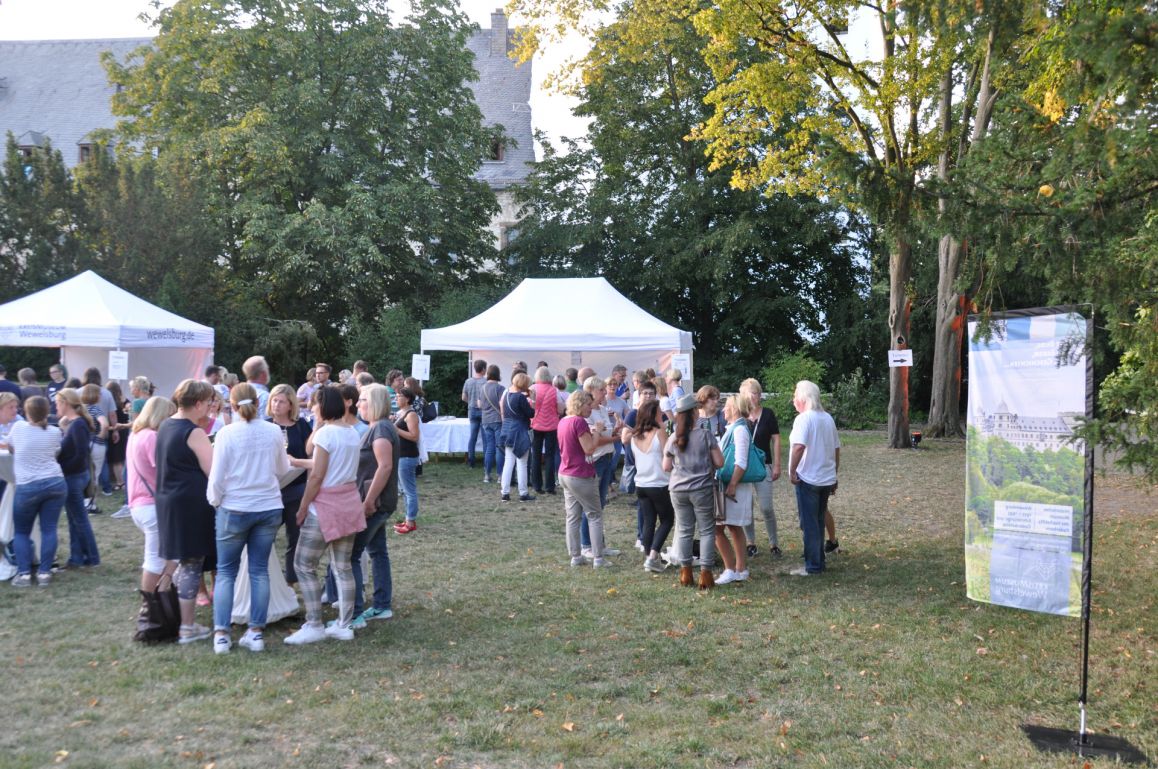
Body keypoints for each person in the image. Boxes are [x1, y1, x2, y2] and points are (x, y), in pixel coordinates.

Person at [206, 383, 291, 654]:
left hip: (235, 507)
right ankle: (256, 631)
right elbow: (282, 468)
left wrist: (216, 501)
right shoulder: (273, 431)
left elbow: (216, 477)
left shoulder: (226, 434)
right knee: (258, 570)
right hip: (267, 507)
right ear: (259, 401)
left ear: (231, 405)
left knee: (226, 572)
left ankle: (221, 634)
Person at [284, 386, 364, 644]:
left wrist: (304, 506)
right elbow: (325, 465)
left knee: (303, 564)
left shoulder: (326, 433)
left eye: (314, 404)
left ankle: (314, 622)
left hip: (325, 506)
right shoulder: (351, 432)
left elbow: (318, 475)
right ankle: (344, 623)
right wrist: (299, 462)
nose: (310, 407)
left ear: (324, 406)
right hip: (349, 502)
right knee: (343, 566)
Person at [155, 379, 216, 644]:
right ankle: (187, 627)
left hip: (168, 500)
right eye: (209, 402)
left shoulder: (165, 424)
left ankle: (172, 615)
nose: (211, 408)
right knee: (192, 563)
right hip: (191, 503)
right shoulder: (194, 432)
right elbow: (212, 471)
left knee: (181, 561)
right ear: (199, 403)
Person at [350, 383, 398, 627]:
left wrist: (368, 501)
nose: (358, 405)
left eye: (362, 400)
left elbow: (385, 466)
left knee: (352, 555)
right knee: (378, 552)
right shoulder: (379, 427)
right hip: (379, 501)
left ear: (376, 402)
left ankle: (355, 613)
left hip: (375, 502)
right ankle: (381, 605)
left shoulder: (380, 429)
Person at [664, 393, 723, 589]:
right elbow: (719, 462)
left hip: (677, 490)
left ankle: (685, 572)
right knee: (706, 530)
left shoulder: (673, 438)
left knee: (684, 529)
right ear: (693, 413)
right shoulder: (705, 435)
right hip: (701, 488)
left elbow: (666, 466)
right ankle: (705, 574)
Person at [7, 396, 66, 587]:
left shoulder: (18, 428)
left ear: (26, 411)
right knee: (49, 529)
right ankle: (44, 572)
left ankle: (24, 574)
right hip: (55, 483)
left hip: (28, 486)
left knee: (22, 532)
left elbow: (11, 447)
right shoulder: (55, 432)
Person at [787, 380, 841, 576]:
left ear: (803, 398)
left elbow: (799, 447)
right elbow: (836, 449)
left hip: (808, 478)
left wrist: (792, 470)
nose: (793, 400)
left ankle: (813, 566)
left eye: (795, 395)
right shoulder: (828, 418)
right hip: (826, 478)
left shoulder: (804, 419)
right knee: (817, 520)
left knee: (809, 523)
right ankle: (819, 560)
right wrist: (834, 474)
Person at [126, 395, 177, 592]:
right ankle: (149, 607)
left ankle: (159, 597)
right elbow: (166, 468)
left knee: (166, 556)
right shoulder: (152, 437)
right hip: (152, 505)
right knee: (154, 560)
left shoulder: (135, 434)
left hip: (139, 503)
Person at [557, 390, 610, 568]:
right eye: (588, 404)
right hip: (580, 474)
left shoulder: (564, 421)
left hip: (565, 473)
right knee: (594, 515)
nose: (591, 407)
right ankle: (598, 558)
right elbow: (589, 449)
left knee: (572, 517)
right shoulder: (579, 422)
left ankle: (575, 556)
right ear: (580, 404)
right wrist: (598, 432)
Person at [267, 383, 312, 584]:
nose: (276, 404)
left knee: (295, 536)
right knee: (266, 535)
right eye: (274, 400)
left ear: (290, 404)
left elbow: (309, 455)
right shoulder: (266, 426)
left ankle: (291, 578)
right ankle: (269, 577)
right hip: (271, 489)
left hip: (296, 487)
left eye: (281, 401)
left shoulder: (301, 425)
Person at [55, 388, 100, 568]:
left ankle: (91, 557)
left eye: (58, 403)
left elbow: (81, 454)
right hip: (74, 475)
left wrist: (62, 468)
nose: (55, 406)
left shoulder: (78, 424)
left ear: (65, 403)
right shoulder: (74, 423)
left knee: (79, 519)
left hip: (74, 476)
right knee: (75, 519)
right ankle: (77, 557)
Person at [739, 378, 782, 558]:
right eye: (750, 394)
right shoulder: (740, 415)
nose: (753, 397)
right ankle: (750, 542)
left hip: (764, 465)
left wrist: (777, 465)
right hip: (744, 468)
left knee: (766, 507)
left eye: (756, 393)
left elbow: (776, 439)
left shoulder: (768, 414)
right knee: (746, 507)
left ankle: (774, 543)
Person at [714, 395, 754, 585]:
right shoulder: (734, 429)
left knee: (722, 527)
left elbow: (741, 462)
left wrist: (732, 485)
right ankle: (738, 568)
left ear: (736, 409)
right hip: (727, 485)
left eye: (727, 407)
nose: (723, 411)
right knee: (730, 526)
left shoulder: (739, 431)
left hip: (732, 486)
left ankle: (733, 568)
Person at [630, 400, 674, 574]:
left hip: (641, 483)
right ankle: (653, 556)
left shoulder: (634, 436)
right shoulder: (659, 432)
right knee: (667, 520)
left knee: (649, 521)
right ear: (654, 415)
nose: (662, 415)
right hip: (658, 483)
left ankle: (649, 555)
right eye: (660, 413)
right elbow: (667, 455)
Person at [498, 372, 535, 503]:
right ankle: (523, 494)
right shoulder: (520, 397)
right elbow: (531, 413)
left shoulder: (507, 394)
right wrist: (533, 401)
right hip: (519, 430)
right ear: (524, 384)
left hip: (507, 429)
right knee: (522, 463)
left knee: (508, 462)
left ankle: (505, 493)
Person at [392, 386, 422, 532]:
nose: (396, 398)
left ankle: (410, 522)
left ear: (407, 398)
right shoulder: (400, 413)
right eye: (396, 396)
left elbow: (414, 436)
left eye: (399, 396)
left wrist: (396, 429)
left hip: (407, 456)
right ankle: (407, 519)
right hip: (401, 455)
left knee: (409, 490)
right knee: (404, 490)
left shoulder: (411, 415)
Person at [529, 366, 561, 496]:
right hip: (552, 427)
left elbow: (529, 406)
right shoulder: (554, 390)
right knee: (550, 456)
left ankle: (536, 485)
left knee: (535, 456)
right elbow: (559, 410)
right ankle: (550, 486)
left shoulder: (531, 389)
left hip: (536, 425)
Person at [80, 384, 110, 507]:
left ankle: (84, 502)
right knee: (95, 474)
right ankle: (91, 504)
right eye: (99, 393)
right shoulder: (96, 409)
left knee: (85, 474)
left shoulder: (81, 409)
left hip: (84, 443)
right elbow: (105, 424)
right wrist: (100, 437)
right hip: (96, 445)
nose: (101, 395)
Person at [479, 365, 505, 483]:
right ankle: (500, 476)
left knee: (489, 448)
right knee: (499, 448)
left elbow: (479, 405)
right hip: (497, 420)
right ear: (497, 374)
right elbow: (502, 405)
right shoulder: (500, 388)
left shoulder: (482, 387)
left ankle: (487, 475)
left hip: (485, 420)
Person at [462, 359, 487, 469]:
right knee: (486, 438)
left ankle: (471, 462)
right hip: (483, 411)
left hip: (472, 410)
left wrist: (471, 402)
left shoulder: (468, 381)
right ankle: (487, 461)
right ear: (483, 369)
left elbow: (463, 397)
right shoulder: (486, 382)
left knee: (473, 437)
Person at [104, 380, 130, 491]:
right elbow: (129, 411)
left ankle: (119, 482)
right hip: (123, 431)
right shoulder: (125, 401)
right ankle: (123, 481)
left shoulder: (109, 402)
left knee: (115, 460)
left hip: (112, 432)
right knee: (122, 458)